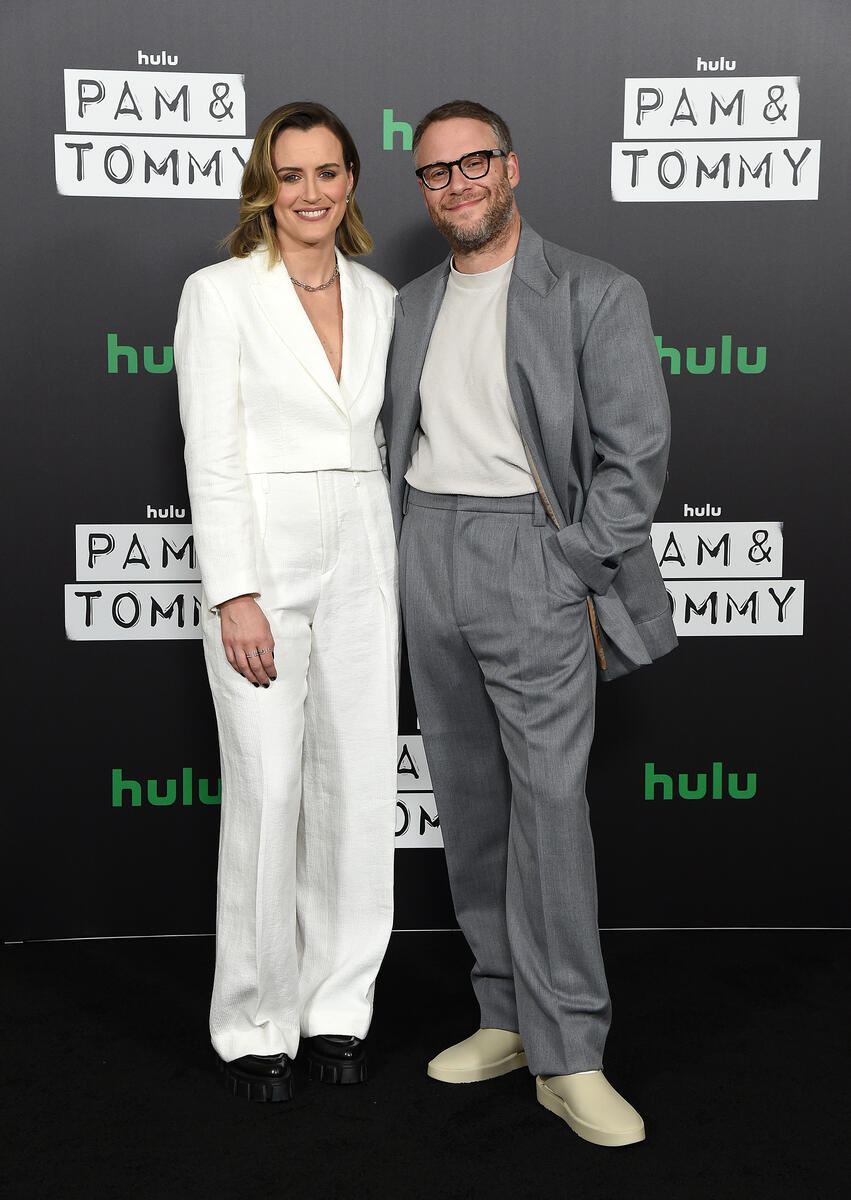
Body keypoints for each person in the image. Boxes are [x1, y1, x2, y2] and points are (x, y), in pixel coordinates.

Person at [381, 100, 677, 1146]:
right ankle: (504, 1016)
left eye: (474, 162)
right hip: (427, 547)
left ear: (510, 168)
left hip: (532, 554)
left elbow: (633, 458)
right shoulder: (409, 303)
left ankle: (571, 1054)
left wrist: (567, 565)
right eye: (435, 171)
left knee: (548, 808)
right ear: (423, 190)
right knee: (469, 803)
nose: (456, 183)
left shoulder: (595, 290)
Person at [174, 102, 399, 1102]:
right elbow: (211, 450)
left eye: (328, 172)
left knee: (358, 785)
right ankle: (254, 1019)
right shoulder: (218, 292)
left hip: (364, 543)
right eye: (291, 173)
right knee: (267, 792)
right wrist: (234, 592)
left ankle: (338, 1007)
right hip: (263, 554)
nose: (311, 192)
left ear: (350, 181)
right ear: (263, 186)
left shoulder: (380, 297)